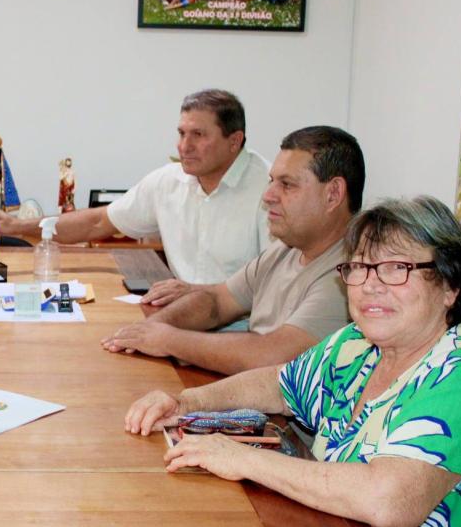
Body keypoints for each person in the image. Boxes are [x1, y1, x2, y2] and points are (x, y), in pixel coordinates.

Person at [124, 196, 461, 527]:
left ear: (450, 287)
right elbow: (278, 384)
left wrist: (242, 458)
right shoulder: (357, 345)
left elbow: (389, 500)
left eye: (397, 268)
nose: (370, 285)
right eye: (359, 267)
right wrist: (183, 403)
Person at [102, 125, 362, 374]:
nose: (268, 195)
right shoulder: (286, 249)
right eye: (272, 181)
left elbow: (274, 357)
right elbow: (216, 301)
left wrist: (168, 340)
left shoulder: (353, 272)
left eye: (287, 184)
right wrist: (152, 327)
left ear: (333, 194)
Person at [0, 89, 270, 307]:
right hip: (182, 318)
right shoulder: (168, 181)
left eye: (198, 135)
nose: (185, 146)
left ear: (235, 141)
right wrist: (16, 226)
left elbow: (282, 285)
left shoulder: (272, 191)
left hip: (244, 332)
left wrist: (197, 293)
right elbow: (97, 223)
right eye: (182, 133)